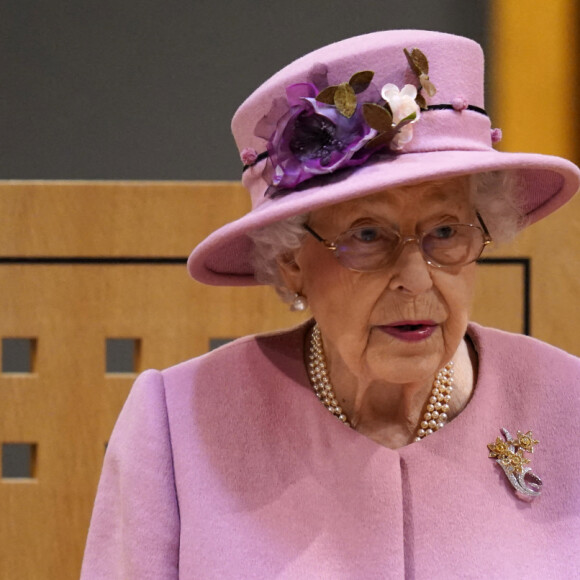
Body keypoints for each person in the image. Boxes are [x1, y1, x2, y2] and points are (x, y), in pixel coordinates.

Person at [81, 30, 580, 579]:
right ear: (292, 261)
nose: (415, 280)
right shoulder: (177, 425)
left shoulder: (569, 404)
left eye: (445, 231)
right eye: (367, 236)